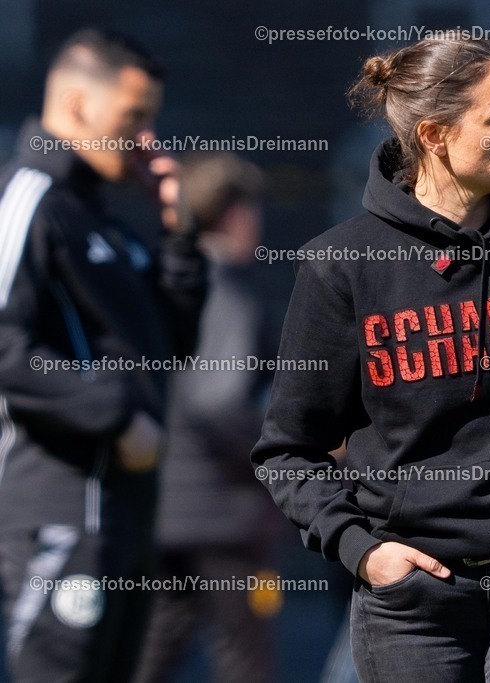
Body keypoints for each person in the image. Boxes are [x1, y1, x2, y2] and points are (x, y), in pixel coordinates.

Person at [252, 36, 490, 682]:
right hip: (410, 602)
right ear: (434, 134)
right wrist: (365, 552)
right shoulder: (341, 266)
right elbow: (288, 450)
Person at [0, 28, 205, 682]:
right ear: (79, 104)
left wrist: (176, 232)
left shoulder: (104, 220)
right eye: (134, 117)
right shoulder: (28, 199)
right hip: (58, 515)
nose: (147, 138)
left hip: (125, 518)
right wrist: (119, 417)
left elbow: (173, 345)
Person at [132, 153, 280, 683]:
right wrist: (277, 452)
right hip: (223, 512)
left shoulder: (168, 284)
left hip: (166, 507)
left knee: (153, 650)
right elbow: (219, 401)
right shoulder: (225, 292)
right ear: (234, 214)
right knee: (243, 657)